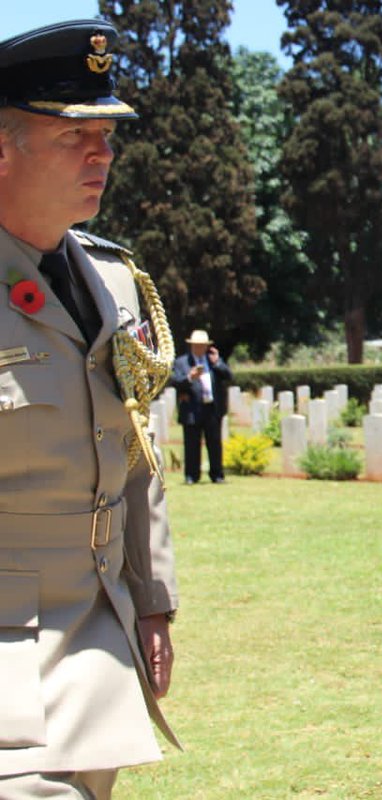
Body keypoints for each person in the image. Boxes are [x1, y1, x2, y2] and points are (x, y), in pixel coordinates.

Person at [0, 19, 180, 799]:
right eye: (75, 134)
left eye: (106, 134)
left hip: (100, 635)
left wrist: (153, 599)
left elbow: (136, 449)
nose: (102, 153)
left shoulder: (110, 282)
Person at [171, 328, 232, 485]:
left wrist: (217, 363)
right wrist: (189, 377)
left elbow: (229, 376)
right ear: (191, 346)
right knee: (191, 444)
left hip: (212, 408)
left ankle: (217, 474)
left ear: (206, 346)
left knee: (214, 443)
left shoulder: (213, 361)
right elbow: (175, 382)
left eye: (201, 345)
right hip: (192, 408)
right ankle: (191, 475)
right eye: (195, 345)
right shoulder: (181, 362)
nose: (198, 348)